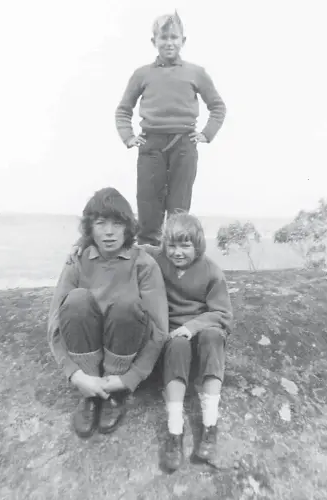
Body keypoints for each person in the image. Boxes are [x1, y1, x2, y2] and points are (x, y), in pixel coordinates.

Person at [69, 212, 233, 468]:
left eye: (186, 245)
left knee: (213, 337)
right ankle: (175, 431)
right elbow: (120, 242)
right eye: (172, 245)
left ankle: (210, 425)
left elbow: (222, 313)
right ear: (164, 244)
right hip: (172, 336)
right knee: (176, 344)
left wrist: (192, 327)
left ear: (198, 244)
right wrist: (85, 243)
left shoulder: (211, 271)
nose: (178, 252)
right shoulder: (156, 256)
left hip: (201, 332)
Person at [48, 187, 168, 439]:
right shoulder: (77, 261)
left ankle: (113, 394)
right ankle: (91, 394)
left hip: (124, 357)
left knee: (126, 302)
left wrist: (129, 379)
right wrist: (77, 375)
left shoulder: (144, 264)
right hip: (86, 361)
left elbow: (159, 329)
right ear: (90, 228)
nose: (110, 232)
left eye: (117, 223)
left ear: (128, 227)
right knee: (77, 299)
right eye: (101, 223)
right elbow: (55, 325)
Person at [115, 11, 227, 246]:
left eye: (174, 37)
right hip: (150, 146)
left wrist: (206, 134)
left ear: (183, 41)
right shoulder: (141, 74)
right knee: (148, 208)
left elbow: (217, 107)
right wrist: (128, 137)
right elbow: (123, 110)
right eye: (163, 37)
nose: (169, 43)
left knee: (178, 210)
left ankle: (175, 270)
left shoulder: (196, 73)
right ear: (153, 41)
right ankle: (147, 271)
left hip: (184, 146)